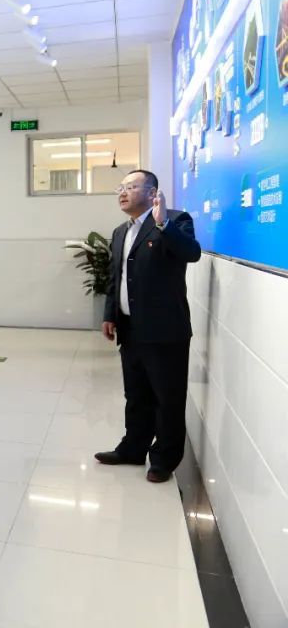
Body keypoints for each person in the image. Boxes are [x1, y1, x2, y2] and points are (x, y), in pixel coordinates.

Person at [96, 170, 201, 483]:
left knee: (167, 398)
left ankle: (164, 460)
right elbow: (116, 278)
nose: (123, 192)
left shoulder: (175, 220)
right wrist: (110, 314)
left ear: (153, 192)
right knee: (136, 394)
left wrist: (163, 223)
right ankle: (132, 448)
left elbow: (191, 253)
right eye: (121, 187)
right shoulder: (120, 232)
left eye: (131, 186)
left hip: (165, 331)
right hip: (130, 328)